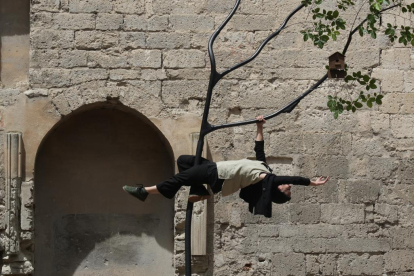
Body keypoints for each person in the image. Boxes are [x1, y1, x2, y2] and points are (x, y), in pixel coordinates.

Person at [123, 116, 329, 217]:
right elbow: (259, 149)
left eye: (288, 191)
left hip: (218, 175)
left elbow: (292, 179)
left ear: (278, 191)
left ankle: (145, 191)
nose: (289, 187)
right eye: (289, 190)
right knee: (184, 161)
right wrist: (259, 126)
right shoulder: (266, 170)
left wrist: (311, 183)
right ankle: (200, 190)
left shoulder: (268, 180)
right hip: (216, 169)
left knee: (180, 179)